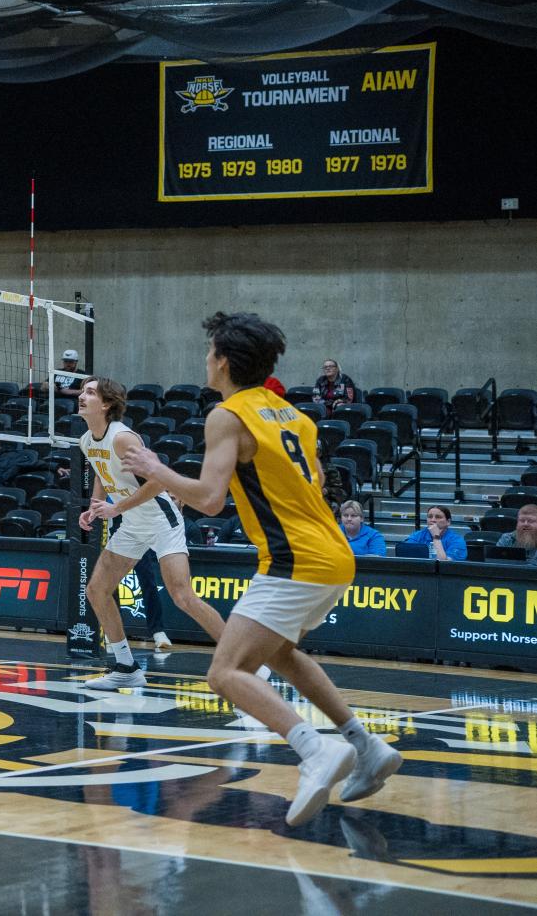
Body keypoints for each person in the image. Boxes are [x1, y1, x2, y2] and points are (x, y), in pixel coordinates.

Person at [124, 312, 402, 825]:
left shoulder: (227, 415)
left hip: (295, 559)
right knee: (285, 655)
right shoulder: (295, 416)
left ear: (224, 361)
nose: (205, 360)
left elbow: (209, 500)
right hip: (334, 555)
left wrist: (155, 470)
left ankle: (314, 750)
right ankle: (367, 747)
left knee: (225, 672)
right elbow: (311, 487)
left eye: (210, 352)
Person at [74, 377, 226, 691]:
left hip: (160, 518)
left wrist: (115, 509)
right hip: (132, 523)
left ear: (105, 404)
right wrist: (95, 505)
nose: (81, 396)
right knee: (97, 590)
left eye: (89, 392)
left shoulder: (123, 438)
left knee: (183, 596)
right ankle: (126, 666)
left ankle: (244, 662)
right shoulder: (87, 440)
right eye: (82, 391)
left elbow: (158, 482)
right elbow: (103, 474)